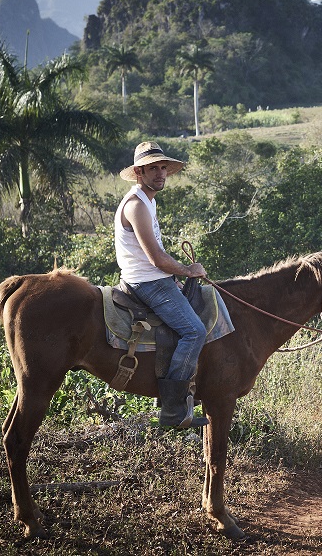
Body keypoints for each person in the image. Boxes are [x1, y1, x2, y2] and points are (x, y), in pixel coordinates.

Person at [115, 141, 208, 429]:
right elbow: (156, 258)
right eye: (152, 168)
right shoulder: (136, 206)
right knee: (194, 331)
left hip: (156, 279)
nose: (160, 173)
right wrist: (188, 270)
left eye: (162, 167)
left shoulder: (149, 201)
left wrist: (177, 275)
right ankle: (172, 411)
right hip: (148, 283)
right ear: (139, 172)